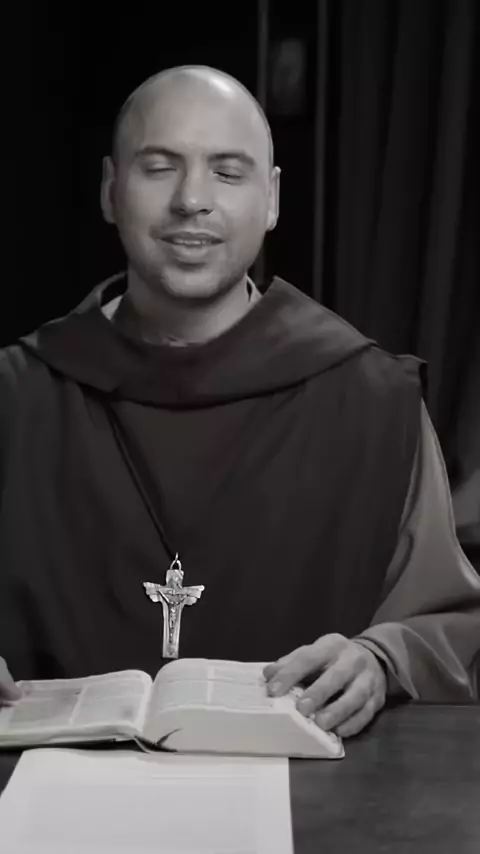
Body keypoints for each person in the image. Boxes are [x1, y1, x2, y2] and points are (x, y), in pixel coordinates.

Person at [0, 66, 479, 739]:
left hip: (315, 795)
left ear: (272, 198)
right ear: (111, 189)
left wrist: (381, 659)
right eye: (159, 167)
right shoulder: (15, 394)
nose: (192, 200)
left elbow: (450, 624)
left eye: (227, 172)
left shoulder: (373, 403)